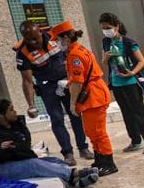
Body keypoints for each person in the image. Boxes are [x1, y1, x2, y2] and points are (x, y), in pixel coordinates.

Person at [13, 21, 91, 166]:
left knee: (75, 114)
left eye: (35, 38)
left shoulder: (54, 35)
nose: (33, 42)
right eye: (29, 39)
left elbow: (72, 48)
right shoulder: (22, 52)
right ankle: (67, 153)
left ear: (40, 32)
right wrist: (31, 105)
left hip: (66, 81)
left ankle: (83, 148)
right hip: (47, 87)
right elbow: (27, 81)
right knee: (57, 119)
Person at [50, 21, 118, 176]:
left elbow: (78, 82)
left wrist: (72, 103)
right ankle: (100, 160)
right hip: (93, 94)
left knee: (98, 132)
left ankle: (109, 163)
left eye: (58, 40)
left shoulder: (75, 54)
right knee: (92, 131)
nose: (57, 44)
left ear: (66, 38)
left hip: (94, 96)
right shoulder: (79, 50)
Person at [0, 99, 98, 187]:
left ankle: (73, 181)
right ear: (1, 115)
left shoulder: (17, 125)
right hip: (3, 169)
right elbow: (17, 150)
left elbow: (25, 146)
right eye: (11, 110)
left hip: (21, 160)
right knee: (33, 164)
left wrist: (16, 147)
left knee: (55, 161)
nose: (15, 112)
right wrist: (1, 148)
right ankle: (74, 174)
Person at [99, 12, 144, 154]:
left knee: (139, 112)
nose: (106, 31)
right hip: (116, 84)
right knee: (126, 113)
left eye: (108, 27)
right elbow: (104, 63)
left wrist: (132, 72)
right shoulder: (105, 42)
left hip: (131, 83)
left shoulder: (129, 42)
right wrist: (106, 58)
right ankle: (135, 141)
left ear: (117, 26)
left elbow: (142, 61)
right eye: (103, 28)